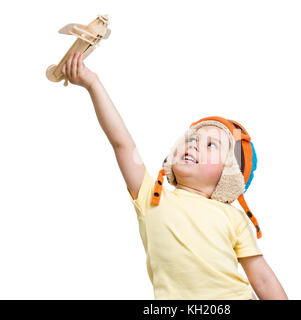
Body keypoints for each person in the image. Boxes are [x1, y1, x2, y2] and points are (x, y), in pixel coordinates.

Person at [61, 51, 288, 300]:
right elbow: (121, 144)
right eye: (191, 139)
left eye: (211, 145)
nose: (193, 144)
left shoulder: (233, 217)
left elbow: (263, 279)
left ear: (229, 175)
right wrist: (93, 84)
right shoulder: (151, 197)